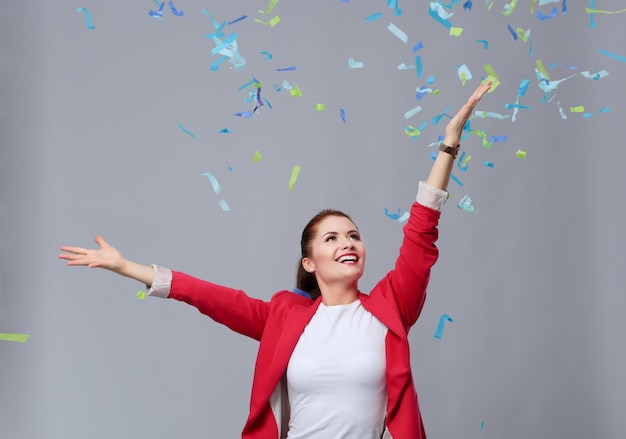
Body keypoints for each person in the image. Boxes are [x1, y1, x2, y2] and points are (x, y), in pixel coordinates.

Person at [59, 83, 491, 439]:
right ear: (310, 263)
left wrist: (449, 144)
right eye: (333, 237)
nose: (349, 242)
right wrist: (124, 266)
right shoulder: (285, 316)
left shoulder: (390, 308)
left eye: (354, 235)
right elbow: (207, 295)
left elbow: (420, 234)